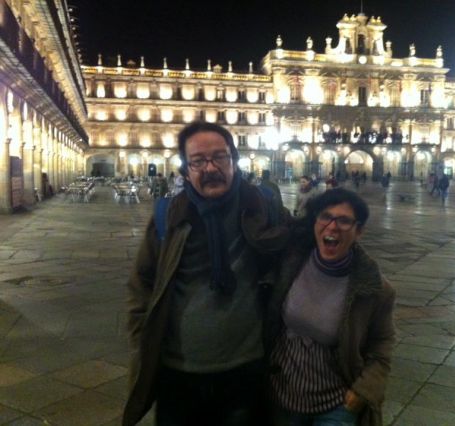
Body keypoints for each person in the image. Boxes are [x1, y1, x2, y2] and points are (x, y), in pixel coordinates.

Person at [124, 121, 289, 426]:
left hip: (246, 371)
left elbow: (305, 244)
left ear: (234, 161)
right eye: (198, 161)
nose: (210, 167)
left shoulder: (262, 208)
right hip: (178, 374)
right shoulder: (167, 216)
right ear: (186, 169)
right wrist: (142, 343)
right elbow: (141, 287)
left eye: (220, 157)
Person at [266, 188, 396, 426]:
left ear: (359, 231)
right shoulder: (291, 264)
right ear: (315, 222)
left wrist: (364, 391)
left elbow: (382, 345)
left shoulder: (374, 289)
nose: (333, 226)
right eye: (325, 216)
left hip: (337, 403)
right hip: (282, 396)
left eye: (344, 221)